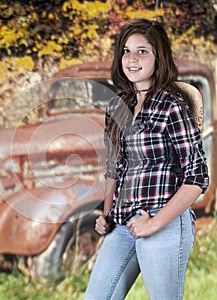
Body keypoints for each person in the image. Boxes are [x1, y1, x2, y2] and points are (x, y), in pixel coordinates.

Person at [84, 18, 209, 300]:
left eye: (142, 51)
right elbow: (114, 169)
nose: (132, 58)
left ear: (158, 57)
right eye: (126, 51)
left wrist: (153, 224)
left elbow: (197, 177)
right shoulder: (117, 105)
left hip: (163, 223)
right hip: (123, 225)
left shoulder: (172, 106)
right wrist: (106, 214)